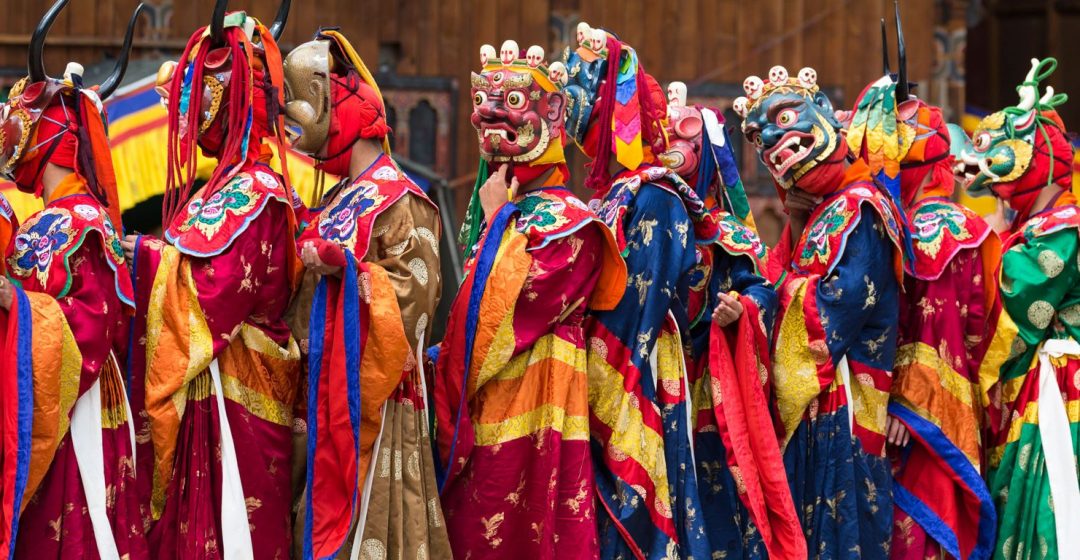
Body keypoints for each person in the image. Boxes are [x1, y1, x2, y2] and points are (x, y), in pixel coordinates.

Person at [120, 1, 303, 558]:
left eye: (197, 95)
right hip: (216, 385)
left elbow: (215, 291)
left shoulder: (258, 190)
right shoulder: (223, 188)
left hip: (240, 391)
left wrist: (145, 255)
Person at [432, 39, 625, 559]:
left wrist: (497, 222)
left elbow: (511, 308)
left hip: (535, 408)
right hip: (484, 405)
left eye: (512, 102)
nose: (488, 114)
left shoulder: (572, 225)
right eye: (484, 101)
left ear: (554, 112)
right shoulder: (512, 211)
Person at [281, 29, 450, 559]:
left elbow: (415, 304)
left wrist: (349, 271)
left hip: (377, 407)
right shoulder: (335, 201)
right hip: (318, 396)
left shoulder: (402, 200)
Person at [733, 63, 904, 558]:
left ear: (825, 113)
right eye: (759, 137)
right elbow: (783, 279)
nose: (771, 140)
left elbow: (829, 314)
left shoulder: (859, 208)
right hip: (817, 405)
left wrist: (760, 302)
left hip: (841, 402)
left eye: (785, 118)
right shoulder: (823, 211)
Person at [845, 14, 999, 559]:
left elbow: (933, 318)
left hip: (919, 413)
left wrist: (908, 402)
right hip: (960, 399)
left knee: (916, 530)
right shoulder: (969, 227)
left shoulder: (925, 232)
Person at [0, 1, 148, 558]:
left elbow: (92, 323)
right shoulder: (39, 216)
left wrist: (15, 304)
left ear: (50, 135)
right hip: (35, 391)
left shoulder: (83, 222)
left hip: (75, 407)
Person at [560, 22, 710, 559]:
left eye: (582, 92)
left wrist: (582, 375)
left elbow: (634, 311)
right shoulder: (615, 198)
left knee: (631, 515)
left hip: (630, 371)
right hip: (601, 367)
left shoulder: (657, 198)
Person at [662, 82, 804, 559]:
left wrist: (738, 309)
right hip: (651, 378)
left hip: (703, 377)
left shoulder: (725, 231)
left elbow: (761, 286)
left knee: (713, 493)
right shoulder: (641, 216)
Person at [957, 57, 1080, 559]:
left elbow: (1011, 310)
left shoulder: (1061, 228)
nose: (977, 164)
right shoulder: (1035, 227)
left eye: (991, 150)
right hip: (1040, 377)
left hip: (1058, 379)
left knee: (1050, 510)